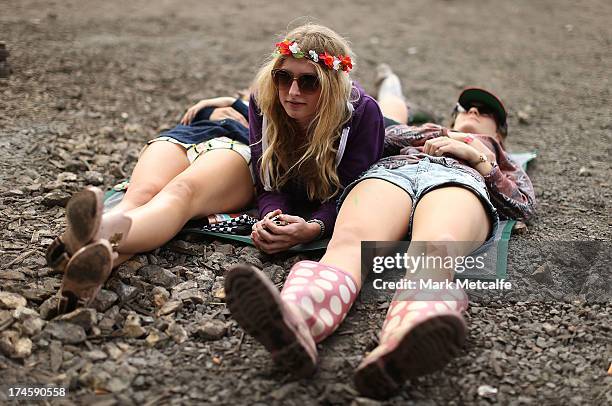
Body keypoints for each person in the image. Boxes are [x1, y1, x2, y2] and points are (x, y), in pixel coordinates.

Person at [225, 65, 536, 398]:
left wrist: (478, 158)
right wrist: (435, 136)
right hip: (392, 174)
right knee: (350, 242)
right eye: (466, 108)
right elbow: (376, 137)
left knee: (436, 250)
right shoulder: (424, 130)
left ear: (500, 133)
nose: (473, 111)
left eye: (486, 111)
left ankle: (402, 345)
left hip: (457, 182)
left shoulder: (498, 157)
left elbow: (521, 204)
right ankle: (296, 319)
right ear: (453, 118)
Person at [46, 23, 385, 315]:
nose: (293, 91)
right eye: (283, 77)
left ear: (332, 84)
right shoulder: (264, 99)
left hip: (231, 153)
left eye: (309, 82)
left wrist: (314, 226)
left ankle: (85, 239)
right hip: (193, 137)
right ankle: (93, 244)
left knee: (180, 193)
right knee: (144, 194)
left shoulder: (360, 115)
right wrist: (273, 214)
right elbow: (267, 177)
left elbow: (354, 191)